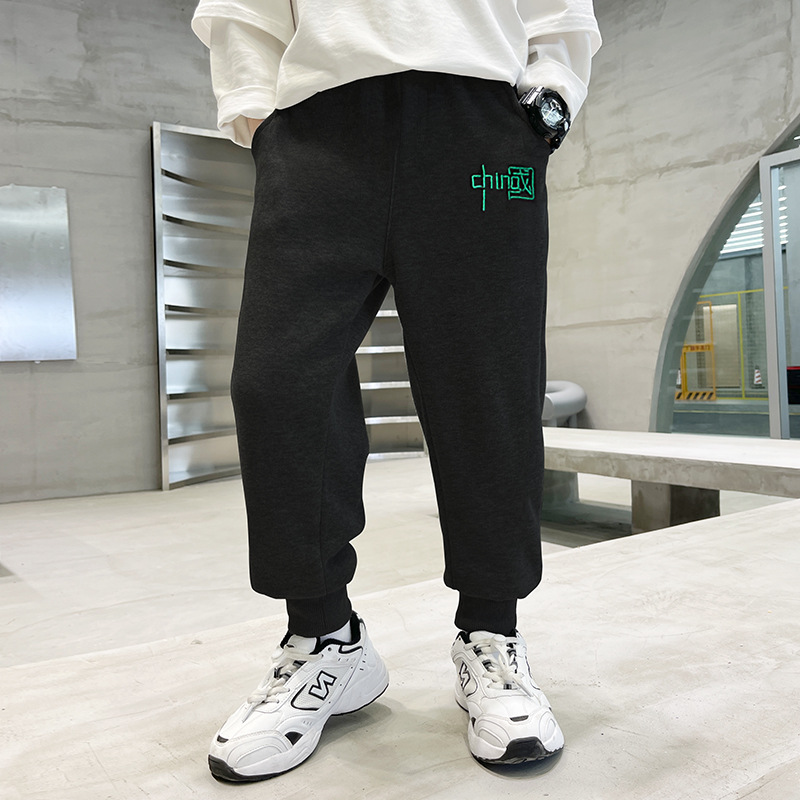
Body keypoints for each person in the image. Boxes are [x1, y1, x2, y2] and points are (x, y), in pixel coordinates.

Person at [191, 0, 601, 782]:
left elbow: (558, 12)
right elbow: (243, 11)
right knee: (277, 384)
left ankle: (491, 635)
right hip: (315, 132)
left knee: (488, 385)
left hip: (482, 133)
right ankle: (326, 639)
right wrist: (260, 121)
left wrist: (544, 106)